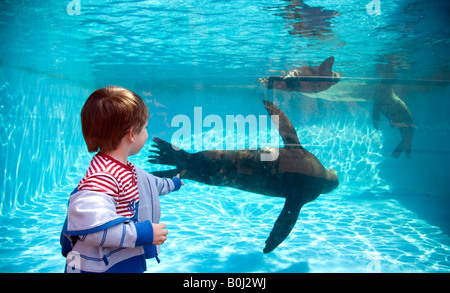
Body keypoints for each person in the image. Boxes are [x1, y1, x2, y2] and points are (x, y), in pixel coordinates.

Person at [60, 85, 183, 273]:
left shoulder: (124, 169)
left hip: (114, 261)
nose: (147, 133)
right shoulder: (102, 178)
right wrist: (144, 233)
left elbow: (151, 184)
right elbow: (93, 229)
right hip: (94, 266)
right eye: (145, 127)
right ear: (131, 134)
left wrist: (174, 183)